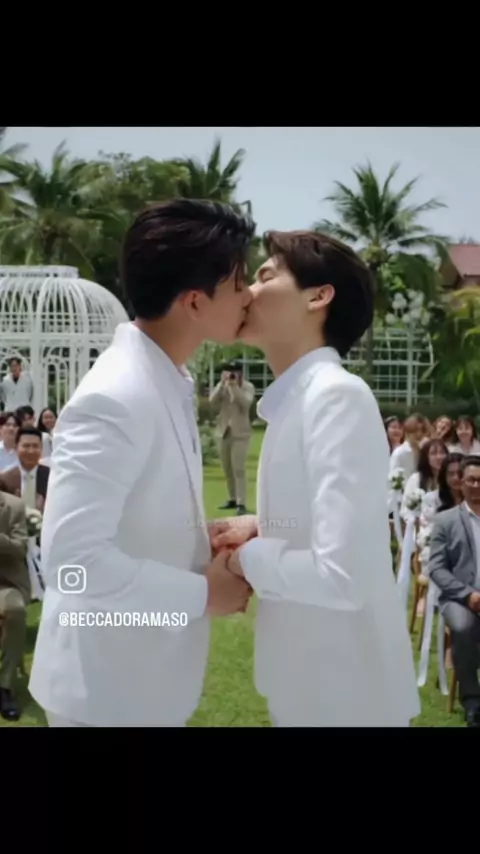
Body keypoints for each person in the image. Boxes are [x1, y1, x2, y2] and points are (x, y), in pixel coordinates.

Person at [29, 199, 255, 727]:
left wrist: (199, 535)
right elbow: (73, 564)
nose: (249, 296)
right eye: (239, 282)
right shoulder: (116, 395)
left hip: (141, 686)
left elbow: (133, 513)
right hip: (104, 693)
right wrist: (203, 593)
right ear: (195, 301)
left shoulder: (167, 377)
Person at [213, 229, 420, 727]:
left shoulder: (335, 397)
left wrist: (244, 560)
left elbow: (341, 573)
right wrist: (262, 525)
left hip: (345, 693)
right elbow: (327, 522)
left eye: (266, 276)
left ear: (318, 297)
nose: (248, 291)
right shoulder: (300, 401)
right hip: (312, 685)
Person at [428, 455, 480, 727]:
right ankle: (472, 701)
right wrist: (468, 594)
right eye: (471, 480)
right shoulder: (446, 521)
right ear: (461, 483)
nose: (476, 486)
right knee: (463, 626)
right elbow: (436, 568)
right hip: (459, 599)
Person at [0, 476, 29, 721]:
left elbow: (20, 549)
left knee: (15, 611)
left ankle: (5, 686)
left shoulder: (14, 506)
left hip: (6, 583)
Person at [209, 361, 255, 514]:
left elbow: (245, 404)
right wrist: (221, 385)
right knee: (227, 468)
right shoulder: (222, 386)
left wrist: (234, 387)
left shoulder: (247, 387)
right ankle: (233, 498)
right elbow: (212, 401)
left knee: (238, 468)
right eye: (229, 372)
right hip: (224, 431)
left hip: (240, 433)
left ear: (241, 373)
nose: (232, 375)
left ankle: (241, 502)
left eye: (234, 372)